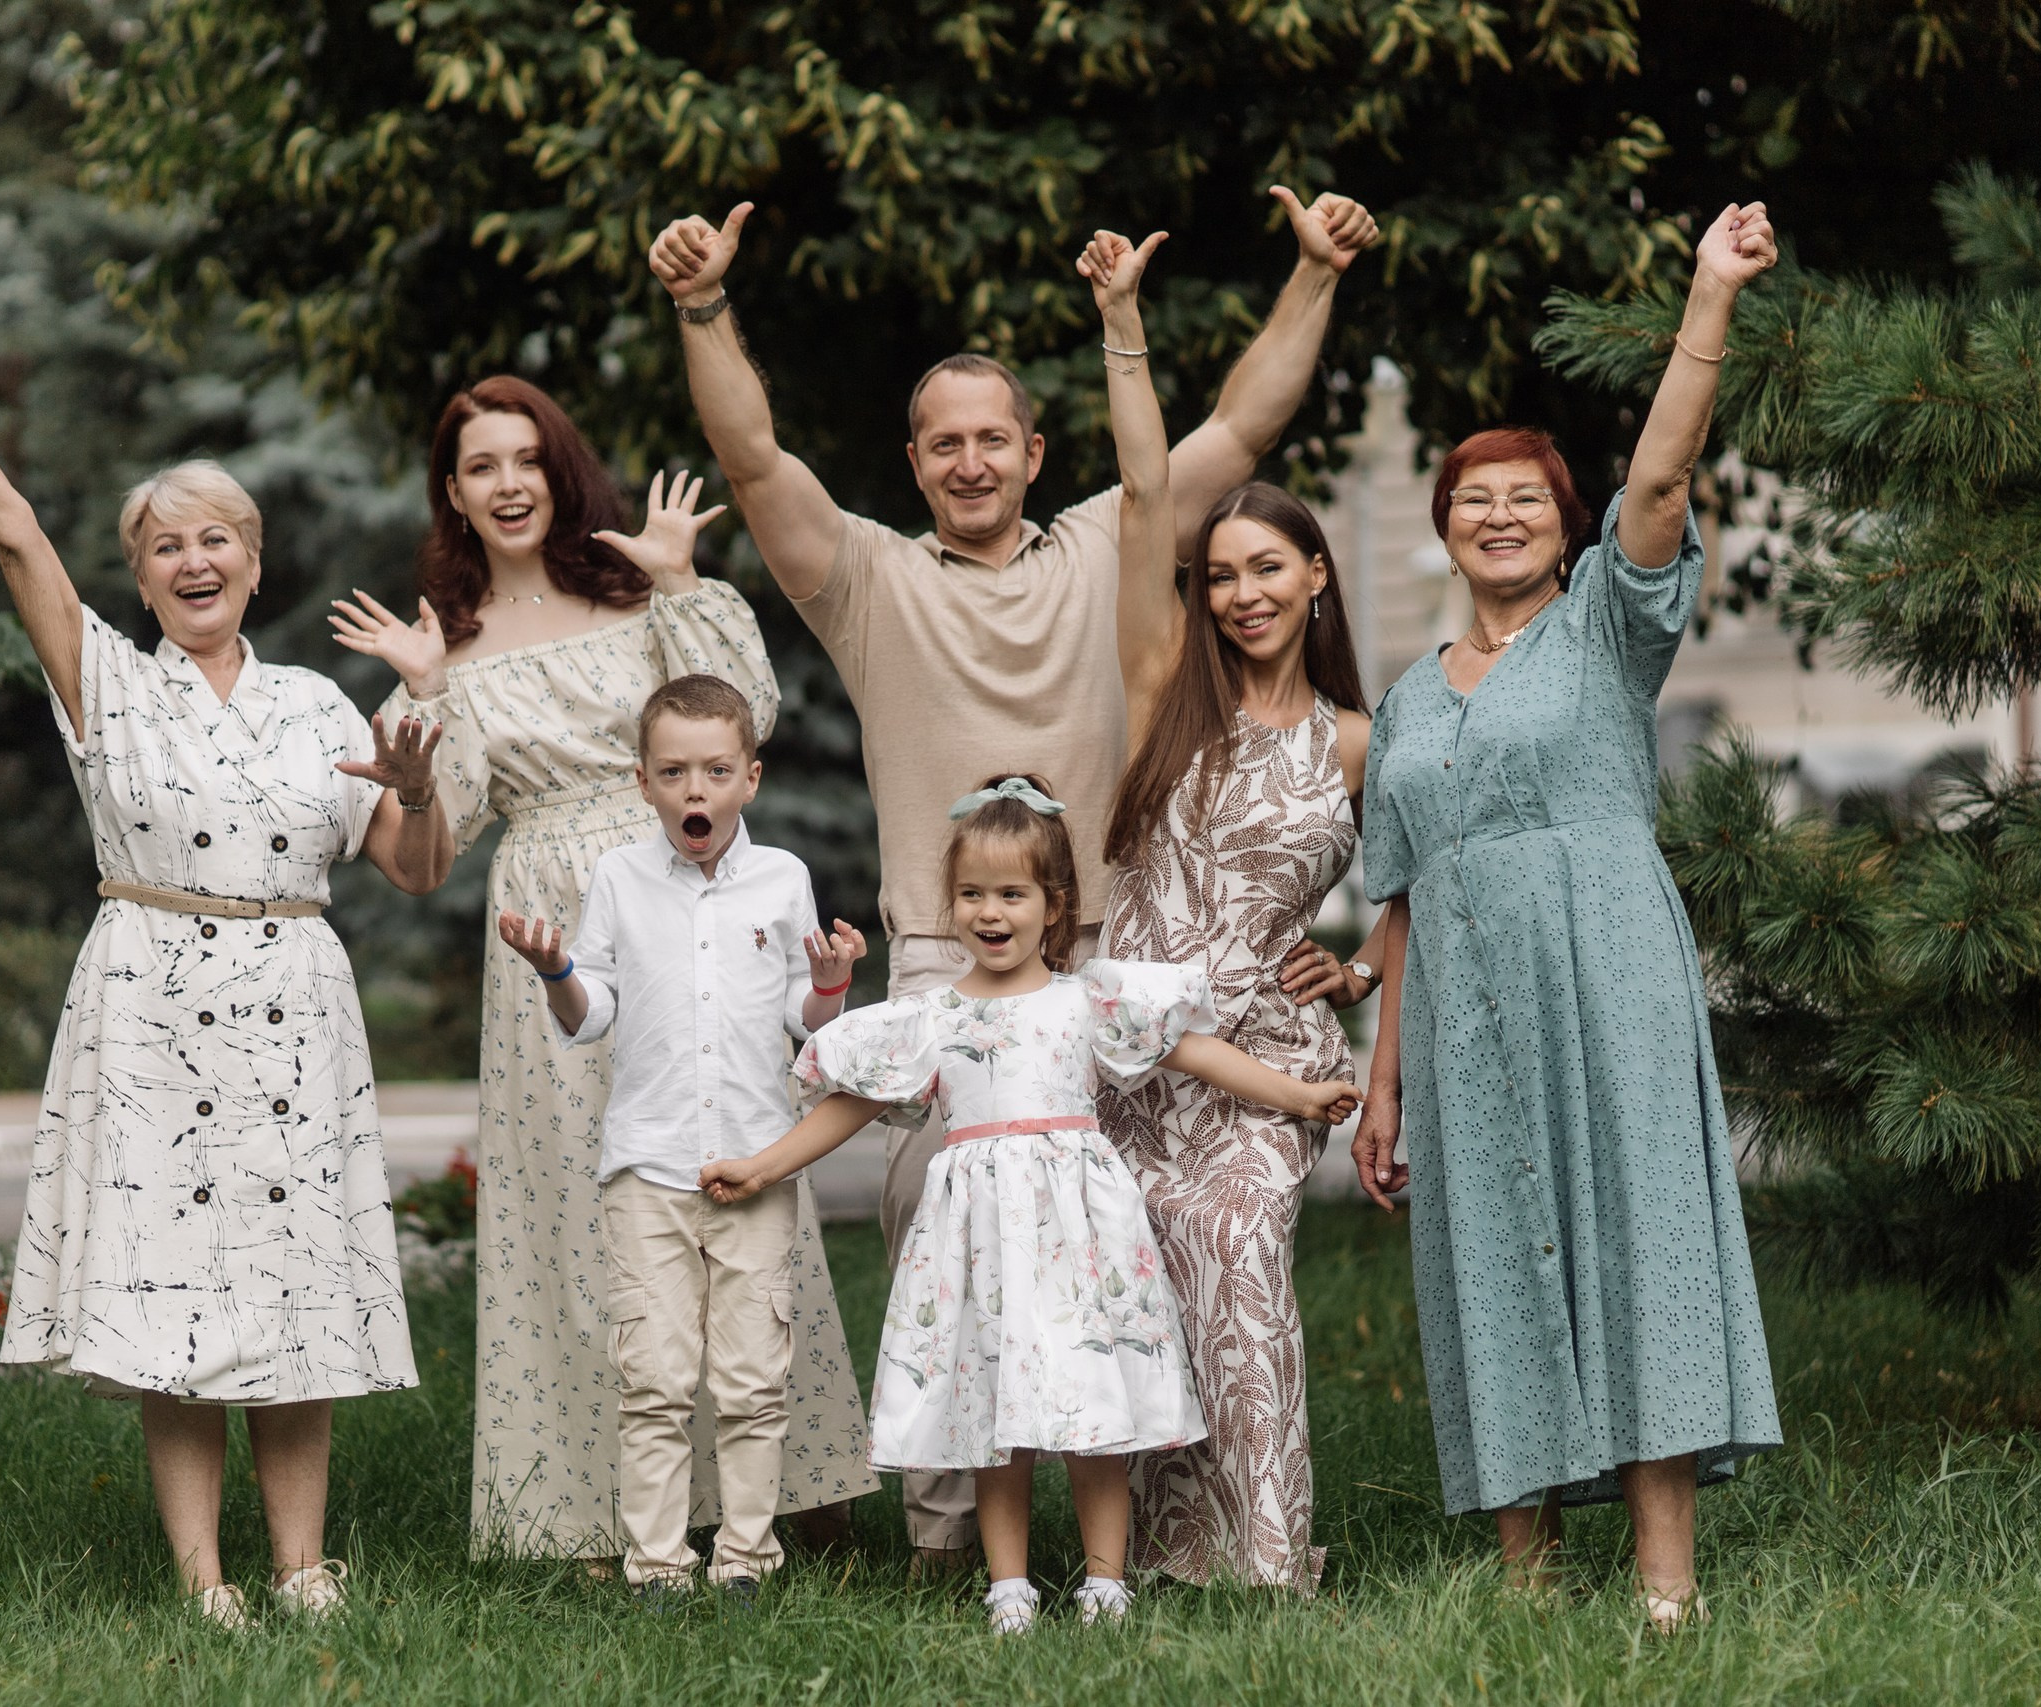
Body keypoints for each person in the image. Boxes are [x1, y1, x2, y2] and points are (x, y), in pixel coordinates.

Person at [648, 185, 1380, 1566]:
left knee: (1138, 1242)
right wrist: (703, 303)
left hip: (1119, 952)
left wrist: (1314, 270)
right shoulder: (864, 576)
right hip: (951, 959)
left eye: (995, 438)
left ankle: (1161, 1529)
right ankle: (951, 1532)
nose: (972, 461)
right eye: (945, 444)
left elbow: (1243, 429)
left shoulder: (1111, 539)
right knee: (941, 1210)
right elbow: (751, 459)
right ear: (914, 461)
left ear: (1037, 451)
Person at [0, 265, 451, 1628]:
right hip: (153, 995)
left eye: (218, 536)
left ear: (255, 558)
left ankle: (303, 1566)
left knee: (294, 1291)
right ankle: (206, 1580)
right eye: (167, 543)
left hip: (296, 995)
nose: (194, 560)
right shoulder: (107, 683)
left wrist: (414, 773)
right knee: (174, 1293)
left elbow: (411, 865)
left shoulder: (311, 703)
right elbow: (10, 533)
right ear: (141, 572)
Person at [326, 379, 875, 1563]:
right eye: (481, 467)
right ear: (453, 493)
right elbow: (420, 863)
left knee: (736, 1177)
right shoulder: (445, 652)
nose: (509, 483)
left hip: (698, 921)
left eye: (527, 458)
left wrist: (678, 578)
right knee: (584, 1213)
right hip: (550, 941)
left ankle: (781, 1496)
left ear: (560, 468)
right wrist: (419, 744)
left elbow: (751, 716)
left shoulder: (638, 600)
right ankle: (587, 1509)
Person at [1351, 203, 1789, 1632]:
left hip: (1607, 971)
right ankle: (1526, 1586)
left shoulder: (1610, 617)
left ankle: (1669, 1592)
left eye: (1527, 496)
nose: (1498, 513)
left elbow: (1661, 473)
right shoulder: (1410, 698)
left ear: (1568, 521)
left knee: (1640, 1236)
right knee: (1489, 1254)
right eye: (1472, 496)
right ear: (1443, 527)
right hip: (1461, 1009)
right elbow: (1399, 896)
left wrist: (1707, 298)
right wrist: (1381, 1080)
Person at [701, 777, 1360, 1631]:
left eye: (1011, 893)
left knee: (1096, 1413)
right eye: (972, 893)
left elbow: (1195, 1052)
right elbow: (851, 1104)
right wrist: (762, 1165)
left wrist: (1297, 1096)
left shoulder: (1086, 1000)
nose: (989, 911)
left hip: (1079, 1237)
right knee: (994, 1414)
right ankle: (1008, 1585)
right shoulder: (933, 1017)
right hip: (979, 1244)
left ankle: (1105, 1581)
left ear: (1053, 906)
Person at [1076, 228, 1373, 1591]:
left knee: (1238, 1257)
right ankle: (1133, 1551)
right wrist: (1121, 319)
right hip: (1128, 1054)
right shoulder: (1161, 692)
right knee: (1128, 1278)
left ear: (1317, 579)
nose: (1244, 592)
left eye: (1272, 568)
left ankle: (1262, 1555)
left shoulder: (1363, 740)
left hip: (1266, 1070)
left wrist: (1363, 968)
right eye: (1224, 574)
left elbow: (1427, 880)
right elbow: (1146, 492)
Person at [493, 674, 868, 1604]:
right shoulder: (619, 876)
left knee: (751, 1380)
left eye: (714, 770)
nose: (694, 790)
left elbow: (802, 1019)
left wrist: (829, 981)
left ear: (751, 777)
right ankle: (657, 1563)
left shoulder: (783, 878)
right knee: (655, 1379)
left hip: (755, 1162)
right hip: (648, 1170)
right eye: (673, 772)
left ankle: (746, 1555)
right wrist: (555, 971)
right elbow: (592, 1015)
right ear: (643, 781)